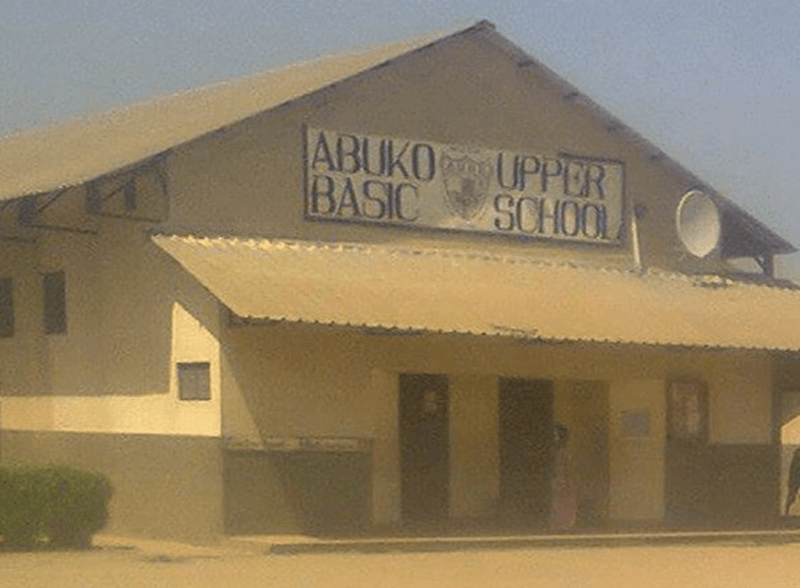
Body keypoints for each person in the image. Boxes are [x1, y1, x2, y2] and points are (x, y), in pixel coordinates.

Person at [551, 423, 577, 530]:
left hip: (562, 482)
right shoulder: (552, 453)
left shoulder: (564, 453)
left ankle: (564, 524)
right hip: (554, 481)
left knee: (563, 503)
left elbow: (567, 469)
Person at [786, 447, 800, 515]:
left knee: (791, 494)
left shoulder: (797, 452)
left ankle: (786, 511)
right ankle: (786, 510)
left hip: (795, 476)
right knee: (791, 494)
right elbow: (793, 467)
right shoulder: (797, 452)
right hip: (795, 476)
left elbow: (792, 467)